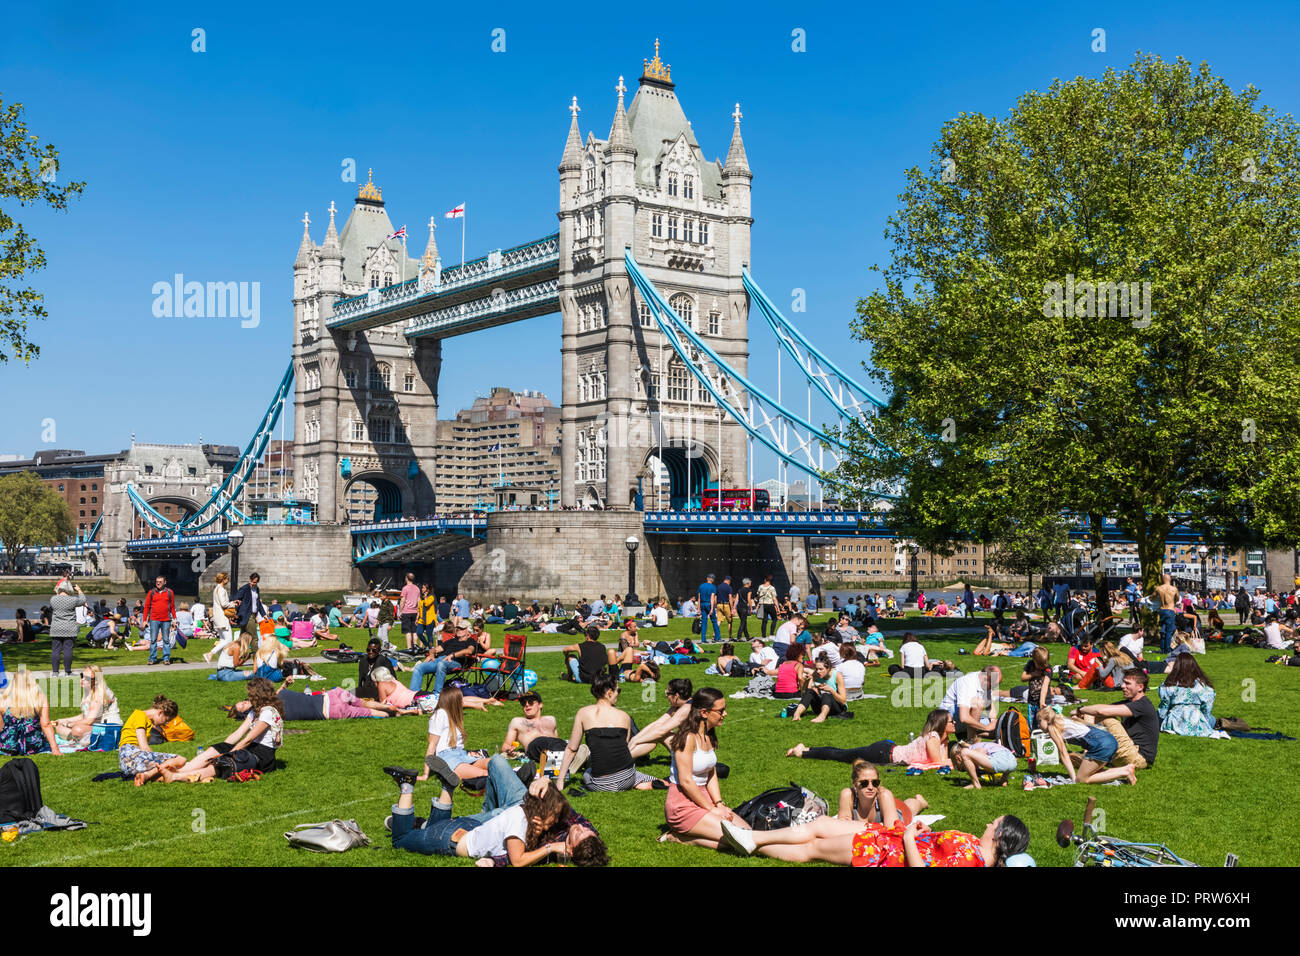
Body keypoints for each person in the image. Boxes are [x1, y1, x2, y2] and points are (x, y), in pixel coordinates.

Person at [382, 762, 592, 865]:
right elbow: (517, 860)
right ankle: (407, 785)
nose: (556, 821)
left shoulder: (524, 815)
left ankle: (447, 787)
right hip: (452, 840)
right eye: (553, 816)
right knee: (401, 839)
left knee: (435, 828)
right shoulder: (520, 822)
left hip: (464, 830)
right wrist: (550, 847)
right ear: (542, 811)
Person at [718, 813, 1030, 868]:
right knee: (823, 823)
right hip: (889, 840)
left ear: (1000, 836)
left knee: (813, 847)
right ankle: (752, 839)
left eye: (995, 824)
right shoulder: (975, 850)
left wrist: (909, 837)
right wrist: (919, 831)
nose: (989, 823)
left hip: (886, 853)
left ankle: (751, 841)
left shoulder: (973, 860)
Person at [660, 687, 748, 847]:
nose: (725, 714)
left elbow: (711, 773)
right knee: (739, 840)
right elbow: (686, 781)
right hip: (682, 804)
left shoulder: (709, 734)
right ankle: (679, 837)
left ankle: (688, 835)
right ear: (704, 713)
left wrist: (719, 804)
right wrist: (711, 809)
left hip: (703, 798)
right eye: (721, 711)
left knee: (747, 832)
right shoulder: (687, 738)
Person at [160, 678, 284, 783]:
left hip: (262, 755)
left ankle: (176, 776)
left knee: (225, 762)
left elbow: (248, 739)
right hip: (250, 747)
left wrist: (228, 754)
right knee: (219, 748)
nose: (248, 698)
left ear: (258, 695)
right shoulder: (254, 711)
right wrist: (222, 747)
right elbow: (238, 734)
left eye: (250, 695)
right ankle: (181, 770)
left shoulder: (268, 712)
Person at [556, 673, 658, 791]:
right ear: (609, 692)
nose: (618, 694)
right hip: (628, 778)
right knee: (631, 772)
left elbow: (572, 749)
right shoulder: (624, 716)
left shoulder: (583, 713)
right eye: (618, 690)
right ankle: (641, 782)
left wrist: (560, 780)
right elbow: (623, 748)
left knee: (587, 772)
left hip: (601, 783)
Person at [786, 709, 955, 769]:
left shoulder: (942, 739)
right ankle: (802, 752)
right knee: (840, 755)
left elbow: (943, 759)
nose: (954, 724)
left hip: (887, 749)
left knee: (842, 753)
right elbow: (937, 763)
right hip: (882, 753)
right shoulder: (933, 736)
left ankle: (806, 748)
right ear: (941, 724)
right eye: (951, 721)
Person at [1075, 670, 1160, 770]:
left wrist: (1079, 709)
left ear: (1140, 687)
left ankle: (1088, 753)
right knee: (1091, 713)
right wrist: (1080, 715)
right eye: (1123, 682)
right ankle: (1089, 752)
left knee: (1106, 717)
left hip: (1138, 758)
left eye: (1127, 683)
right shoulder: (1128, 703)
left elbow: (1101, 711)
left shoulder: (1143, 705)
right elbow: (1097, 710)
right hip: (1130, 752)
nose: (1123, 686)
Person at [417, 687, 489, 784]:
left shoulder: (455, 716)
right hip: (447, 756)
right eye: (461, 699)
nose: (463, 701)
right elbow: (432, 745)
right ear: (453, 702)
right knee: (485, 774)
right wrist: (426, 774)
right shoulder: (440, 714)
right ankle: (447, 771)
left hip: (462, 754)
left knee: (496, 763)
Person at [837, 760, 926, 825]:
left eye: (875, 783)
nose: (871, 787)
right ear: (854, 785)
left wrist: (855, 826)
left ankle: (921, 802)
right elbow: (842, 827)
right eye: (864, 783)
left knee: (909, 808)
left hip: (894, 812)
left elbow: (891, 831)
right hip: (884, 807)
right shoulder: (848, 795)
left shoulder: (885, 795)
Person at [117, 696, 183, 784]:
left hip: (128, 760)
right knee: (180, 759)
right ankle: (147, 775)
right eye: (166, 720)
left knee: (171, 767)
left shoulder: (144, 718)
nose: (165, 723)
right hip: (131, 754)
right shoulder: (140, 716)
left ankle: (147, 776)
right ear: (160, 713)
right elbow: (143, 746)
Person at [1158, 652, 1221, 737]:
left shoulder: (1169, 685)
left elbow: (1163, 709)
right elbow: (1206, 709)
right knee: (1212, 719)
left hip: (1174, 721)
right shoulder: (1203, 686)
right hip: (1196, 721)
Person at [0, 668, 61, 755]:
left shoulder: (3, 699)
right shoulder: (40, 698)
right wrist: (55, 749)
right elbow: (46, 725)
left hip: (8, 744)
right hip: (33, 744)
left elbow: (1, 727)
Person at [53, 665, 120, 744]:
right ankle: (79, 739)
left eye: (87, 678)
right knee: (59, 727)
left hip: (109, 727)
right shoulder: (88, 691)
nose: (82, 680)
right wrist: (62, 721)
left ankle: (80, 739)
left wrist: (69, 724)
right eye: (82, 676)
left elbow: (88, 720)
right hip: (95, 726)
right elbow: (85, 715)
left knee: (77, 730)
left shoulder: (99, 694)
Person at [628, 678, 693, 759]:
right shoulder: (678, 705)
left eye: (668, 693)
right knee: (653, 736)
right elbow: (657, 723)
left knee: (657, 736)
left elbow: (661, 731)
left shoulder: (687, 708)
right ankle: (623, 758)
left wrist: (637, 741)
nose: (666, 696)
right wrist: (635, 739)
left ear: (676, 696)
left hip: (693, 753)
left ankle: (620, 760)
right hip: (688, 745)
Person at [501, 691, 565, 761]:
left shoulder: (551, 720)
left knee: (566, 745)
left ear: (540, 704)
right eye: (523, 703)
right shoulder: (517, 722)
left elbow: (556, 741)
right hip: (535, 746)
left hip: (553, 746)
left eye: (530, 702)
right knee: (543, 743)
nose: (527, 705)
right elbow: (506, 745)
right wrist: (509, 750)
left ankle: (569, 755)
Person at [941, 666, 1001, 740]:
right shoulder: (967, 683)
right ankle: (970, 742)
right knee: (977, 703)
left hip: (965, 715)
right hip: (949, 719)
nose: (995, 687)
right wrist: (987, 728)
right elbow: (964, 717)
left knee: (1000, 730)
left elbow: (990, 707)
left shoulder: (985, 681)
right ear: (986, 678)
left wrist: (994, 722)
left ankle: (966, 735)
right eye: (994, 684)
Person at [791, 656, 848, 722]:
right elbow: (804, 694)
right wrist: (808, 681)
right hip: (820, 706)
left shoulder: (837, 675)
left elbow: (843, 701)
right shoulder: (816, 674)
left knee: (826, 694)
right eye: (817, 669)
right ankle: (797, 714)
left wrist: (831, 690)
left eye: (821, 669)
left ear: (828, 668)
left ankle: (822, 717)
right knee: (810, 691)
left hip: (837, 708)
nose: (818, 671)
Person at [48, 580, 85, 677]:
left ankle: (55, 672)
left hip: (56, 627)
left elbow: (57, 596)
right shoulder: (73, 600)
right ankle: (67, 671)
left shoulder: (53, 599)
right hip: (69, 627)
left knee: (56, 650)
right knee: (68, 650)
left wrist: (57, 591)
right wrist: (79, 590)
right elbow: (83, 600)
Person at [949, 739, 1017, 788]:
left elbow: (981, 752)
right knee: (1000, 757)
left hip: (1001, 762)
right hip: (1013, 762)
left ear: (958, 758)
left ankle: (975, 784)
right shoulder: (981, 744)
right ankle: (1003, 781)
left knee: (964, 752)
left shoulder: (972, 748)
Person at [142, 574, 176, 666]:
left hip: (166, 620)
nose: (158, 583)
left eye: (160, 582)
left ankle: (166, 658)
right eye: (157, 582)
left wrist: (175, 619)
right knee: (153, 640)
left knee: (166, 640)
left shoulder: (170, 592)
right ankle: (152, 658)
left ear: (165, 582)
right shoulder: (151, 592)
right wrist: (144, 620)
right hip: (154, 619)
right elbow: (146, 607)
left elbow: (172, 606)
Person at [231, 572, 269, 641]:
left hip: (254, 615)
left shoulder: (256, 589)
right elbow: (236, 599)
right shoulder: (244, 588)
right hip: (246, 615)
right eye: (252, 581)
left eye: (255, 582)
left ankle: (239, 650)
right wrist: (235, 612)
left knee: (243, 635)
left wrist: (264, 615)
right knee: (254, 637)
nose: (252, 584)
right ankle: (255, 652)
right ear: (250, 580)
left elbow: (258, 604)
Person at [206, 571, 234, 660]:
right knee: (229, 639)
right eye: (227, 578)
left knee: (223, 639)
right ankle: (210, 653)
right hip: (222, 618)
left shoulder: (216, 589)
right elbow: (224, 604)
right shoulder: (222, 590)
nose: (228, 580)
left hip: (218, 617)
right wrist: (233, 604)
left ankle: (221, 659)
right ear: (224, 579)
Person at [1154, 573, 1180, 654]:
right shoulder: (1174, 589)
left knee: (1163, 630)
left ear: (1163, 579)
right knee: (1169, 631)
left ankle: (1162, 648)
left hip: (1162, 610)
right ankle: (1167, 650)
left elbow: (1152, 597)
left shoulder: (1159, 588)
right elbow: (1177, 598)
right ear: (1170, 580)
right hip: (1170, 609)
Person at [399, 572, 421, 652]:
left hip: (407, 611)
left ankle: (409, 648)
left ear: (406, 578)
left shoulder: (405, 588)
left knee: (407, 631)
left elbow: (403, 600)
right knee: (414, 631)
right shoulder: (417, 588)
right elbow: (419, 601)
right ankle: (415, 646)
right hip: (415, 612)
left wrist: (400, 611)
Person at [697, 573, 720, 643]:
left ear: (707, 578)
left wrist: (698, 609)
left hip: (702, 604)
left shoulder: (701, 586)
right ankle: (717, 637)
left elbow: (699, 598)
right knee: (714, 621)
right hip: (709, 604)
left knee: (704, 622)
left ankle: (703, 639)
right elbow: (712, 598)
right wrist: (712, 608)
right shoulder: (713, 587)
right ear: (713, 580)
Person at [416, 584, 438, 649]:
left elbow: (427, 604)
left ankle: (431, 647)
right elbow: (419, 608)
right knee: (419, 633)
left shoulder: (432, 597)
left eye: (423, 588)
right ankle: (427, 645)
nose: (422, 589)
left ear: (427, 590)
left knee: (429, 635)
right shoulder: (421, 598)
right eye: (422, 588)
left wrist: (425, 597)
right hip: (422, 619)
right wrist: (417, 618)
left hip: (430, 619)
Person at [757, 574, 779, 638]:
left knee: (764, 620)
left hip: (762, 604)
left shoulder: (760, 586)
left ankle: (763, 636)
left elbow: (758, 595)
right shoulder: (772, 588)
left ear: (765, 579)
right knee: (774, 619)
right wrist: (778, 608)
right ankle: (771, 634)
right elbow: (774, 598)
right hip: (769, 604)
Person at [717, 575, 735, 640]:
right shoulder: (729, 587)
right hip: (726, 605)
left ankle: (714, 635)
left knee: (719, 621)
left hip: (719, 604)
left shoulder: (718, 586)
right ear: (728, 580)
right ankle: (730, 636)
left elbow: (716, 596)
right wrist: (732, 608)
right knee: (730, 621)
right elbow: (730, 597)